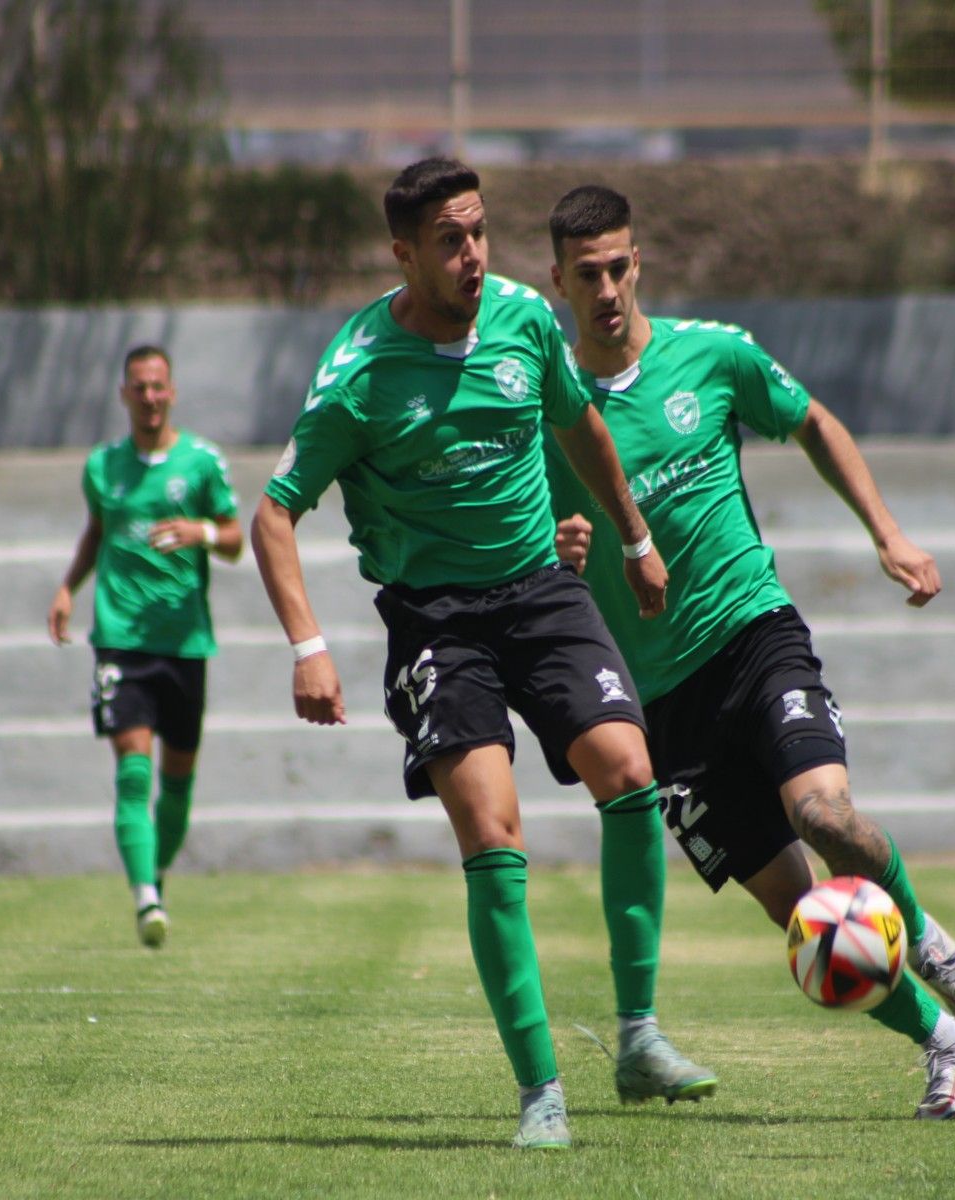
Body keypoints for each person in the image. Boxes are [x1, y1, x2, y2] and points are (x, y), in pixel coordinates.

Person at [251, 158, 715, 1151]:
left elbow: (578, 420)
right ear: (404, 255)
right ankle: (541, 1089)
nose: (471, 255)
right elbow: (274, 514)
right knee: (493, 832)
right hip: (436, 622)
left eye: (478, 232)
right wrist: (309, 646)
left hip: (541, 590)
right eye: (449, 241)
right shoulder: (358, 373)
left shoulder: (522, 319)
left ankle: (638, 1038)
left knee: (631, 771)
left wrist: (633, 538)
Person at [541, 185, 955, 1120]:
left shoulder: (710, 355)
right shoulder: (552, 409)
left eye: (618, 266)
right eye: (584, 273)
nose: (605, 288)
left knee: (826, 817)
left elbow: (815, 423)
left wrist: (888, 535)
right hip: (659, 702)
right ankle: (940, 1041)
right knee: (807, 921)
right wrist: (560, 548)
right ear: (557, 280)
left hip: (754, 637)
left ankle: (922, 933)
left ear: (640, 264)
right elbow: (533, 532)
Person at [48, 346, 242, 949]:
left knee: (177, 782)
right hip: (122, 641)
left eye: (159, 386)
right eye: (140, 387)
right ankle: (145, 899)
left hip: (185, 642)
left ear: (172, 391)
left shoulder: (203, 462)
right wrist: (66, 588)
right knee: (134, 775)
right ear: (124, 394)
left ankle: (153, 870)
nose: (150, 397)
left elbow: (236, 540)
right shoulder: (102, 466)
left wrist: (201, 532)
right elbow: (97, 532)